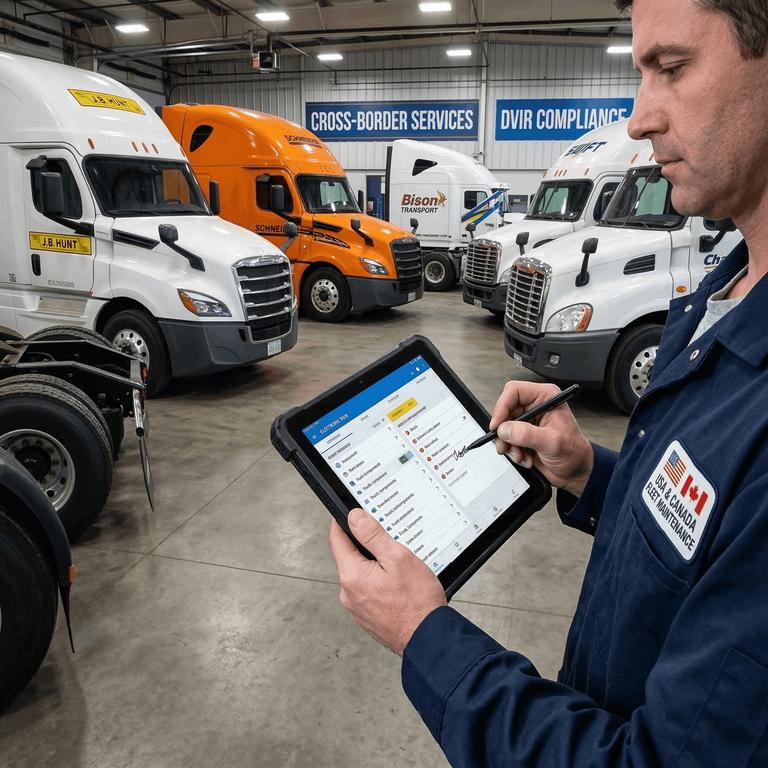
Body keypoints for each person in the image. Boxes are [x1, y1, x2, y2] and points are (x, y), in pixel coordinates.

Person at [329, 0, 768, 764]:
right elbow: (701, 529)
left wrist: (424, 634)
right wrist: (591, 474)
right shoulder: (721, 297)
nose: (638, 119)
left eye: (671, 68)